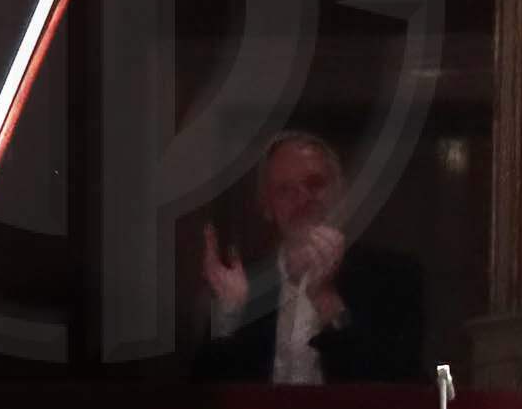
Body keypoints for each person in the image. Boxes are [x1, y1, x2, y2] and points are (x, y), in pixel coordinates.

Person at [183, 127, 431, 385]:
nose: (302, 199)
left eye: (314, 184)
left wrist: (326, 299)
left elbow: (401, 388)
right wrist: (228, 315)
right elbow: (205, 403)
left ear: (340, 192)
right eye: (285, 190)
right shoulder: (247, 286)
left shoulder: (394, 277)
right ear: (267, 206)